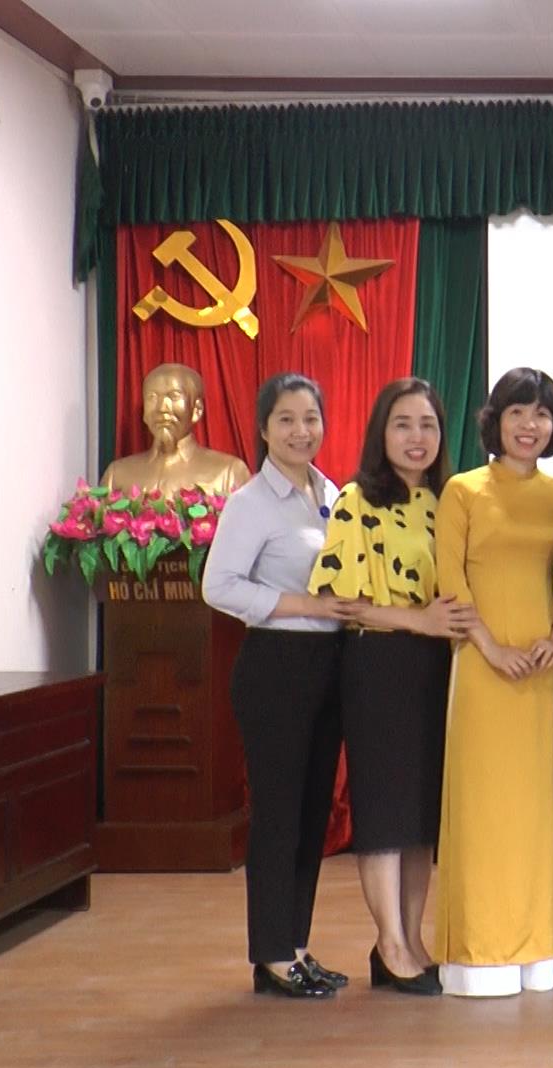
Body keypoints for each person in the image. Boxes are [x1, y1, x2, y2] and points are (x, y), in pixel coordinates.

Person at [309, 378, 477, 997]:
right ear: (381, 432)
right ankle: (388, 942)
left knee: (420, 816)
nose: (416, 437)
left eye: (428, 425)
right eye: (403, 424)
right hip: (379, 662)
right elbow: (340, 600)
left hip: (438, 667)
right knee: (384, 812)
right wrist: (418, 620)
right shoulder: (357, 499)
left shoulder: (448, 501)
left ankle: (411, 938)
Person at [202, 372, 359, 998]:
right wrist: (303, 604)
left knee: (313, 812)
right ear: (264, 429)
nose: (301, 431)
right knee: (278, 814)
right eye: (286, 420)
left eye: (311, 418)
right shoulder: (251, 502)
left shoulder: (332, 493)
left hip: (329, 666)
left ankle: (294, 946)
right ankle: (270, 954)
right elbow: (218, 586)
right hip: (276, 666)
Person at [431, 368, 553, 997]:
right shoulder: (463, 491)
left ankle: (535, 945)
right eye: (518, 411)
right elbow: (450, 582)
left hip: (542, 670)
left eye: (542, 414)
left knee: (534, 808)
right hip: (480, 666)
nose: (530, 424)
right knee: (482, 807)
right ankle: (478, 950)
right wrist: (490, 648)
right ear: (495, 420)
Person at [101, 362, 251, 494]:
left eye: (174, 396)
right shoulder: (117, 475)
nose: (162, 408)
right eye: (152, 397)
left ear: (196, 410)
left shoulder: (228, 472)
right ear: (145, 413)